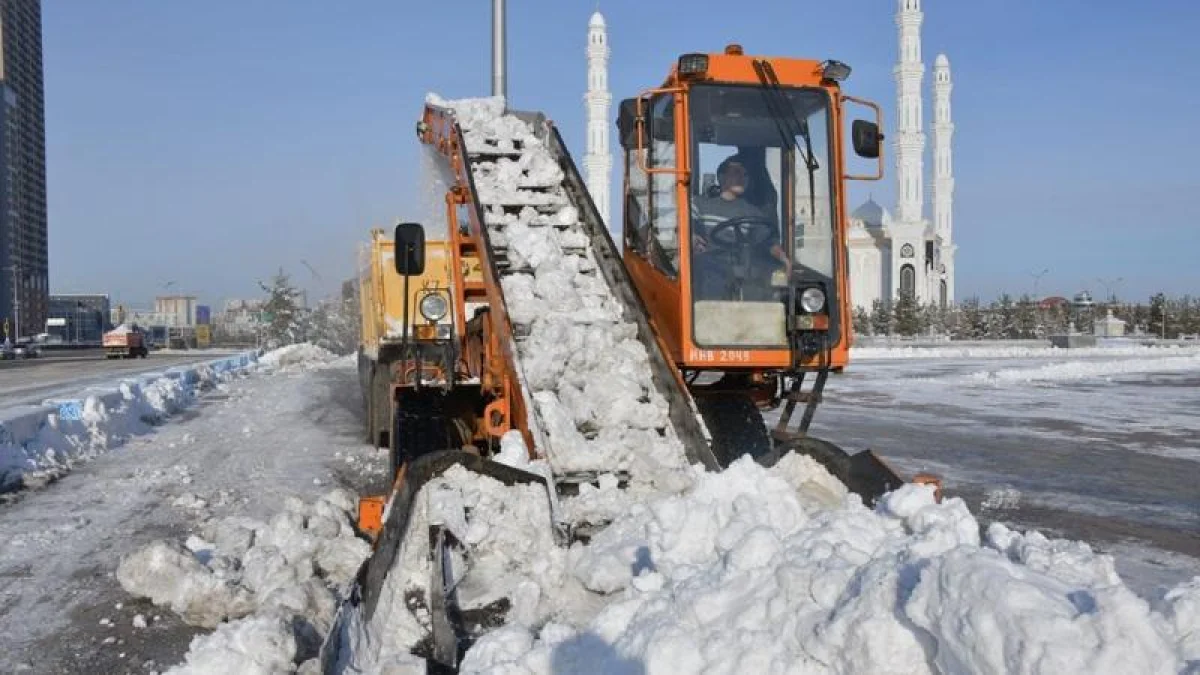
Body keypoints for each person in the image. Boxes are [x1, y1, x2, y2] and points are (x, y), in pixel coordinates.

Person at [690, 154, 788, 300]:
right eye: (736, 172)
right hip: (709, 263)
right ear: (721, 177)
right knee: (706, 266)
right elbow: (684, 226)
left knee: (771, 274)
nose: (742, 177)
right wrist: (692, 236)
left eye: (745, 175)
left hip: (741, 264)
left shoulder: (753, 212)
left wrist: (784, 258)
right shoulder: (700, 204)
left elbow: (768, 242)